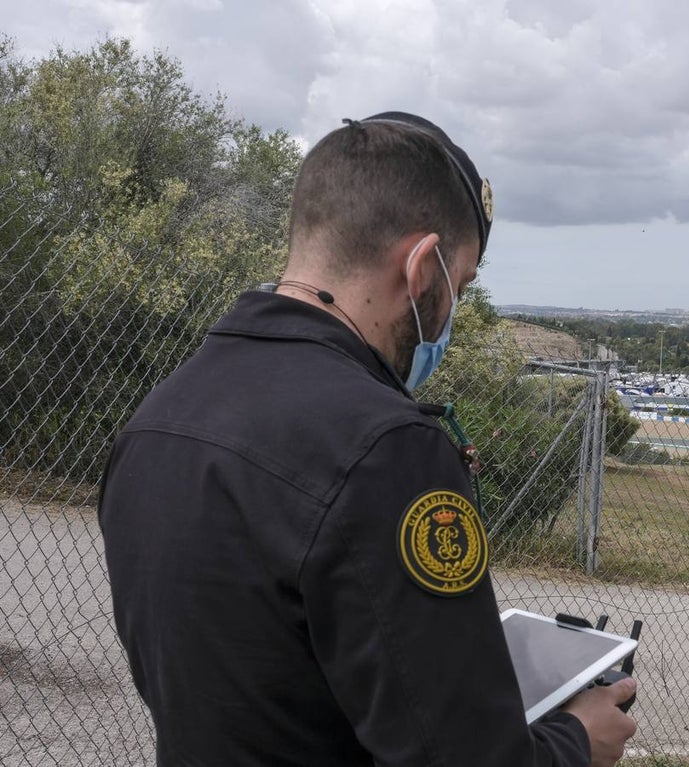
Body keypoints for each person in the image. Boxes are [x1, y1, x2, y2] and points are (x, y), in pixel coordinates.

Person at [98, 112, 637, 766]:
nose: (451, 315)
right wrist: (577, 741)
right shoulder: (387, 450)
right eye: (459, 286)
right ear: (420, 267)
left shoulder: (161, 415)